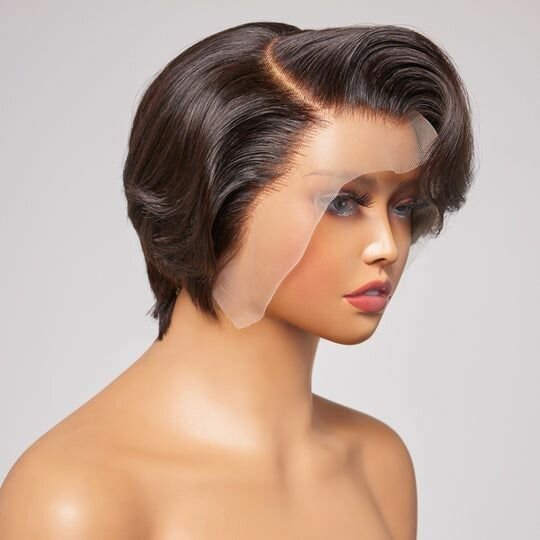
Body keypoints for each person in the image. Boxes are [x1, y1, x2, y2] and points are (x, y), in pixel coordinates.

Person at [0, 21, 475, 539]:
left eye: (403, 206)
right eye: (341, 202)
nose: (387, 245)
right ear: (214, 197)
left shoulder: (377, 466)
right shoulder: (75, 502)